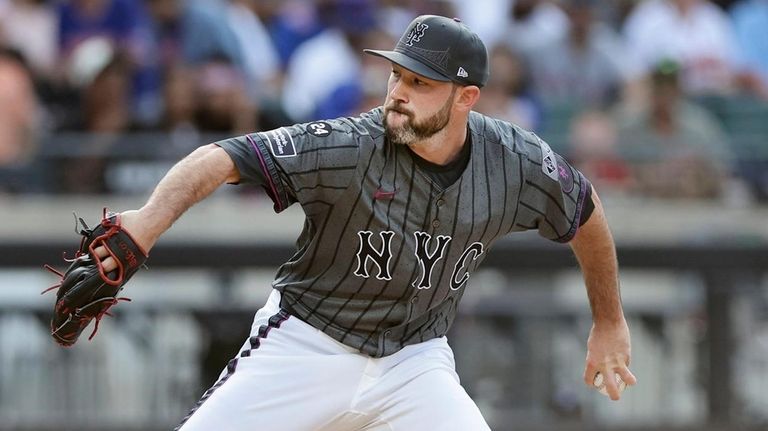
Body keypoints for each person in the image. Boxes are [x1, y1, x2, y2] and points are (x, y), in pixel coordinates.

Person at [92, 15, 636, 430]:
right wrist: (145, 224)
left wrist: (608, 320)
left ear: (467, 97)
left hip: (414, 361)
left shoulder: (514, 159)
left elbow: (585, 211)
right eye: (397, 74)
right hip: (307, 342)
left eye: (421, 82)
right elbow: (221, 158)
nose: (398, 92)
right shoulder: (351, 144)